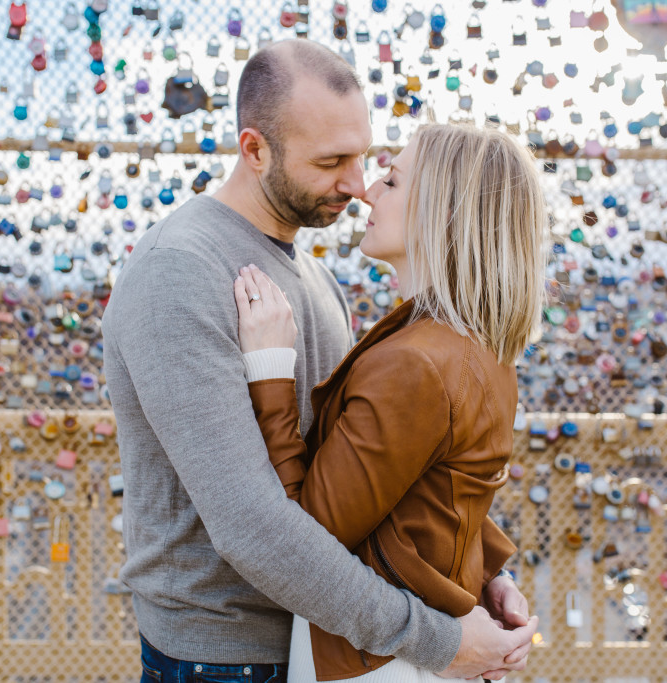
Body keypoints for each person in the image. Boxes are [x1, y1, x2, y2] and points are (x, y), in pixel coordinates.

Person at [103, 40, 536, 683]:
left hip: (337, 642)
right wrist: (437, 639)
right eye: (332, 162)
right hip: (227, 655)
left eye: (364, 158)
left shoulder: (315, 278)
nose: (357, 186)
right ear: (255, 150)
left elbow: (377, 471)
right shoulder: (181, 272)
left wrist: (479, 572)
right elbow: (255, 529)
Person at [233, 121, 547, 682]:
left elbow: (308, 535)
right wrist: (486, 574)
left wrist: (271, 370)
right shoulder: (479, 345)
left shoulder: (415, 360)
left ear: (443, 212)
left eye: (393, 181)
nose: (367, 191)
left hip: (381, 662)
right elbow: (446, 487)